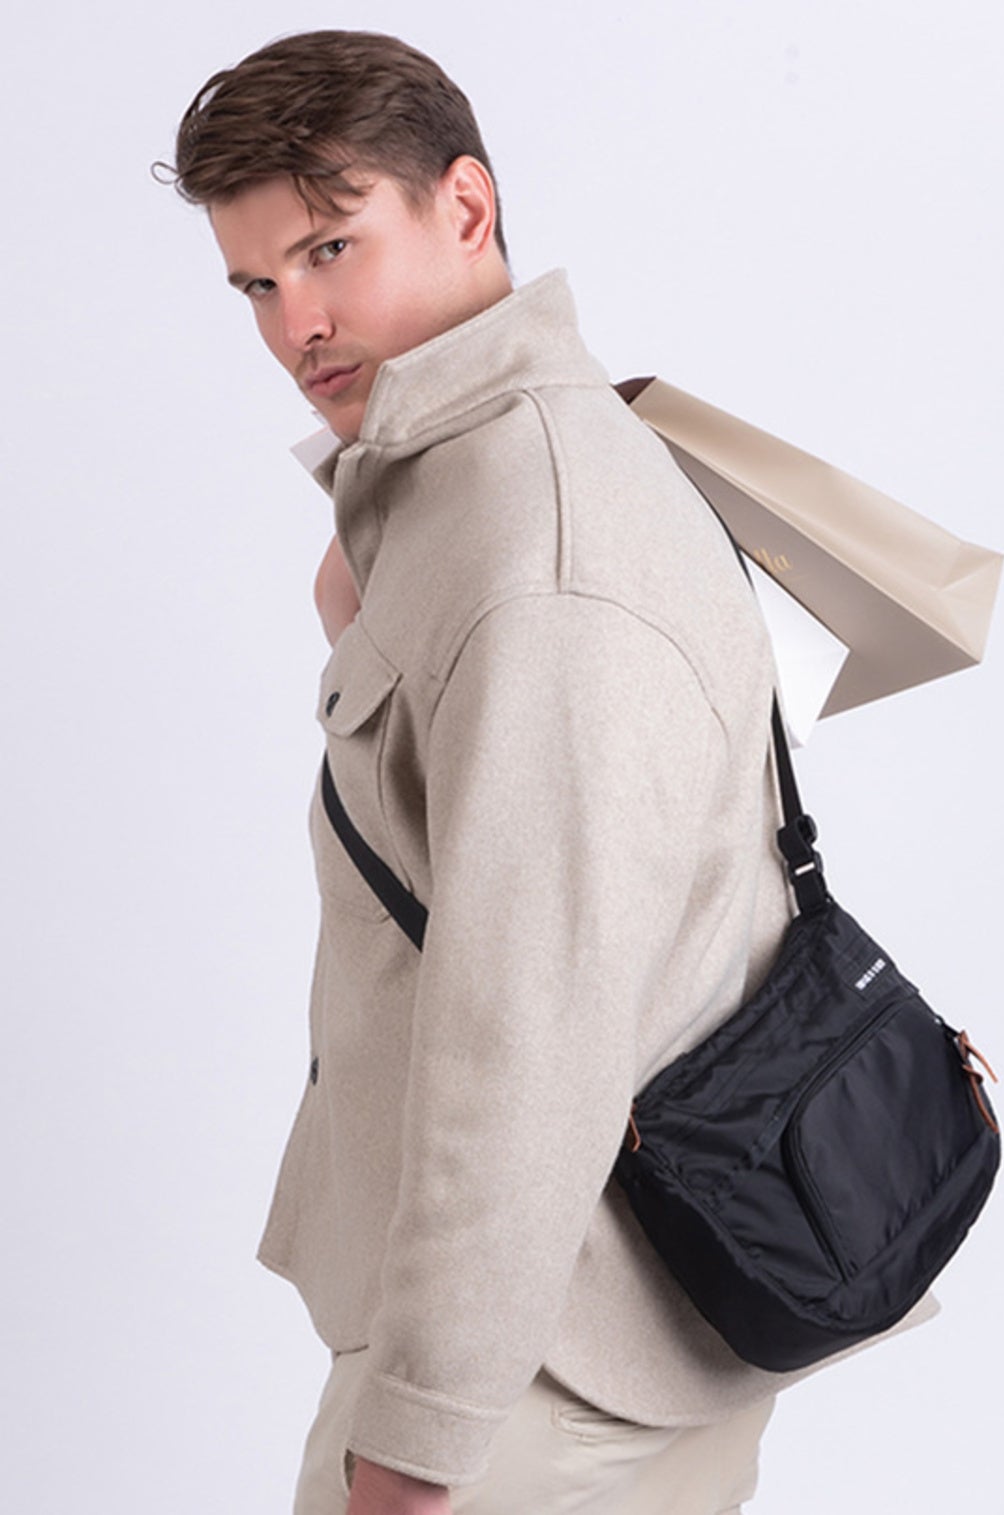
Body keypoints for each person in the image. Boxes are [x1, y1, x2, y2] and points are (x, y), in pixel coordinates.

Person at [168, 29, 803, 1515]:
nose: (298, 323)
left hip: (527, 1391)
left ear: (464, 206)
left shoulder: (538, 549)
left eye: (329, 250)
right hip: (570, 1340)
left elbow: (531, 1029)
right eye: (256, 285)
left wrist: (416, 1444)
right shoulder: (486, 486)